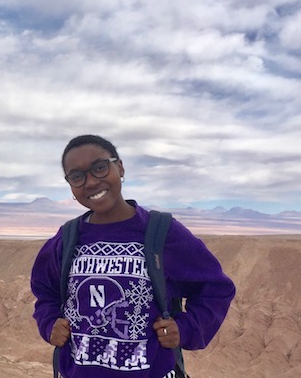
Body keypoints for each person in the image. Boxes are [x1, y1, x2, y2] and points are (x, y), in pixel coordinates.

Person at [31, 134, 236, 378]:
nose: (91, 182)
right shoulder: (67, 238)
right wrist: (49, 323)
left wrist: (185, 328)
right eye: (77, 176)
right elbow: (45, 292)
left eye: (99, 167)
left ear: (119, 167)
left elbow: (215, 288)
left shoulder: (162, 231)